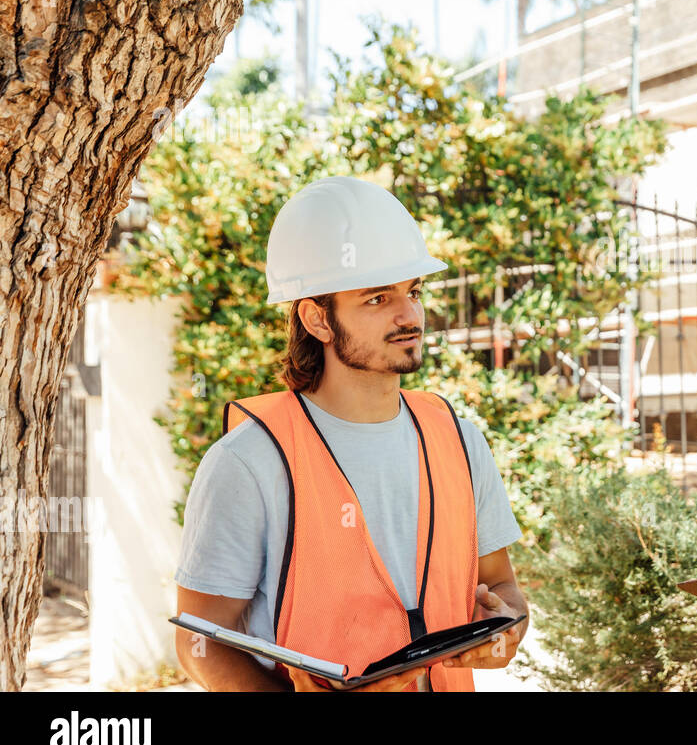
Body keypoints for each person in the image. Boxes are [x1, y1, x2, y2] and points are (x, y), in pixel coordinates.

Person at [173, 176, 527, 692]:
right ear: (317, 318)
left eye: (413, 292)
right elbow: (200, 641)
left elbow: (503, 589)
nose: (409, 315)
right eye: (377, 298)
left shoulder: (458, 439)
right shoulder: (249, 461)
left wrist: (505, 630)